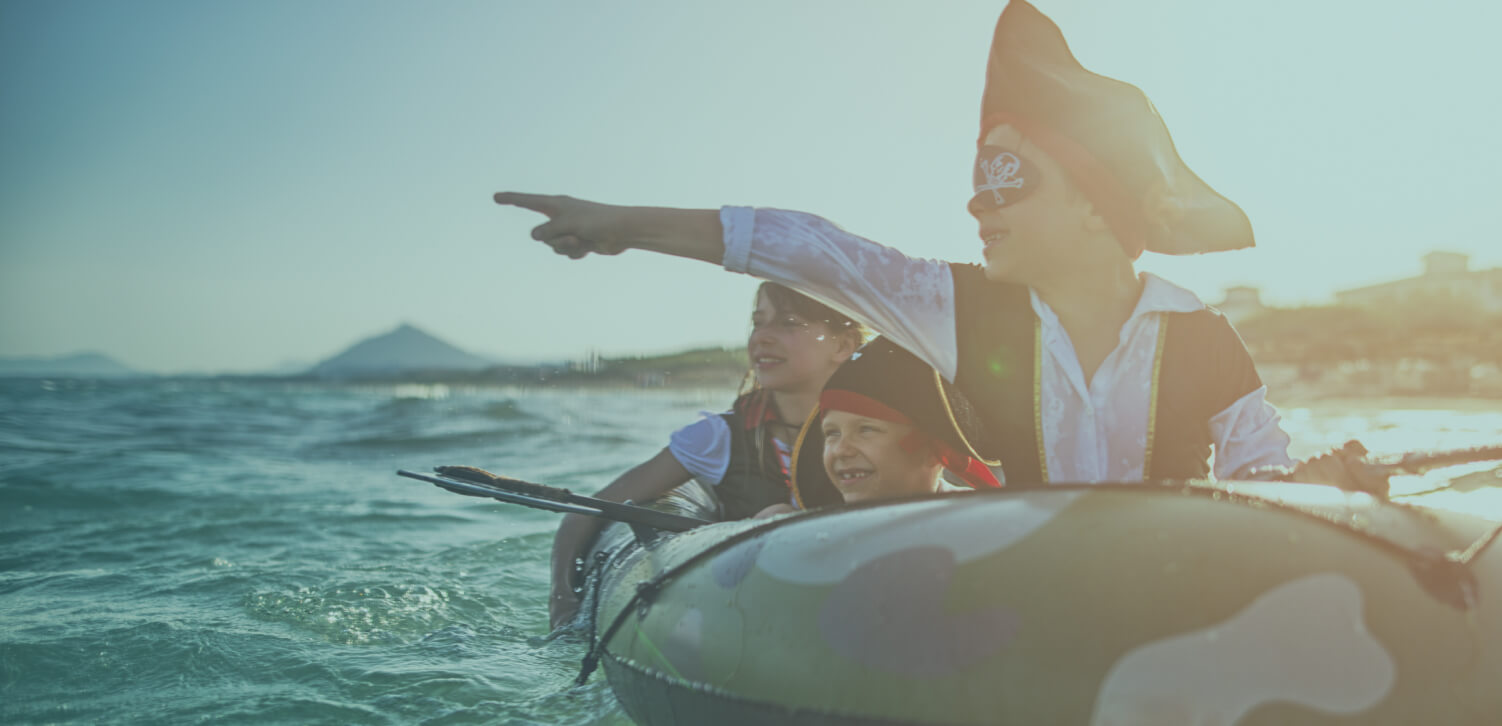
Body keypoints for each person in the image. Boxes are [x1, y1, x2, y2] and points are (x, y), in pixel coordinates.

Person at [495, 1, 1363, 488]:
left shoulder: (1205, 339)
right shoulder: (959, 308)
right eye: (977, 177)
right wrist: (623, 224)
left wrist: (1324, 491)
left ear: (1101, 210)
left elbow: (1259, 484)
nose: (976, 203)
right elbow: (812, 249)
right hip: (1023, 596)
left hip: (1163, 594)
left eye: (1007, 178)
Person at [547, 282, 862, 628]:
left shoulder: (877, 436)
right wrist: (563, 599)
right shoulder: (717, 438)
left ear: (843, 344)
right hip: (746, 611)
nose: (763, 337)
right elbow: (590, 510)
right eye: (758, 323)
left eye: (788, 323)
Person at [773, 337, 1001, 515]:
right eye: (832, 433)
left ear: (931, 451)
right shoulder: (819, 537)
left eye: (865, 430)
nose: (841, 450)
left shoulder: (978, 524)